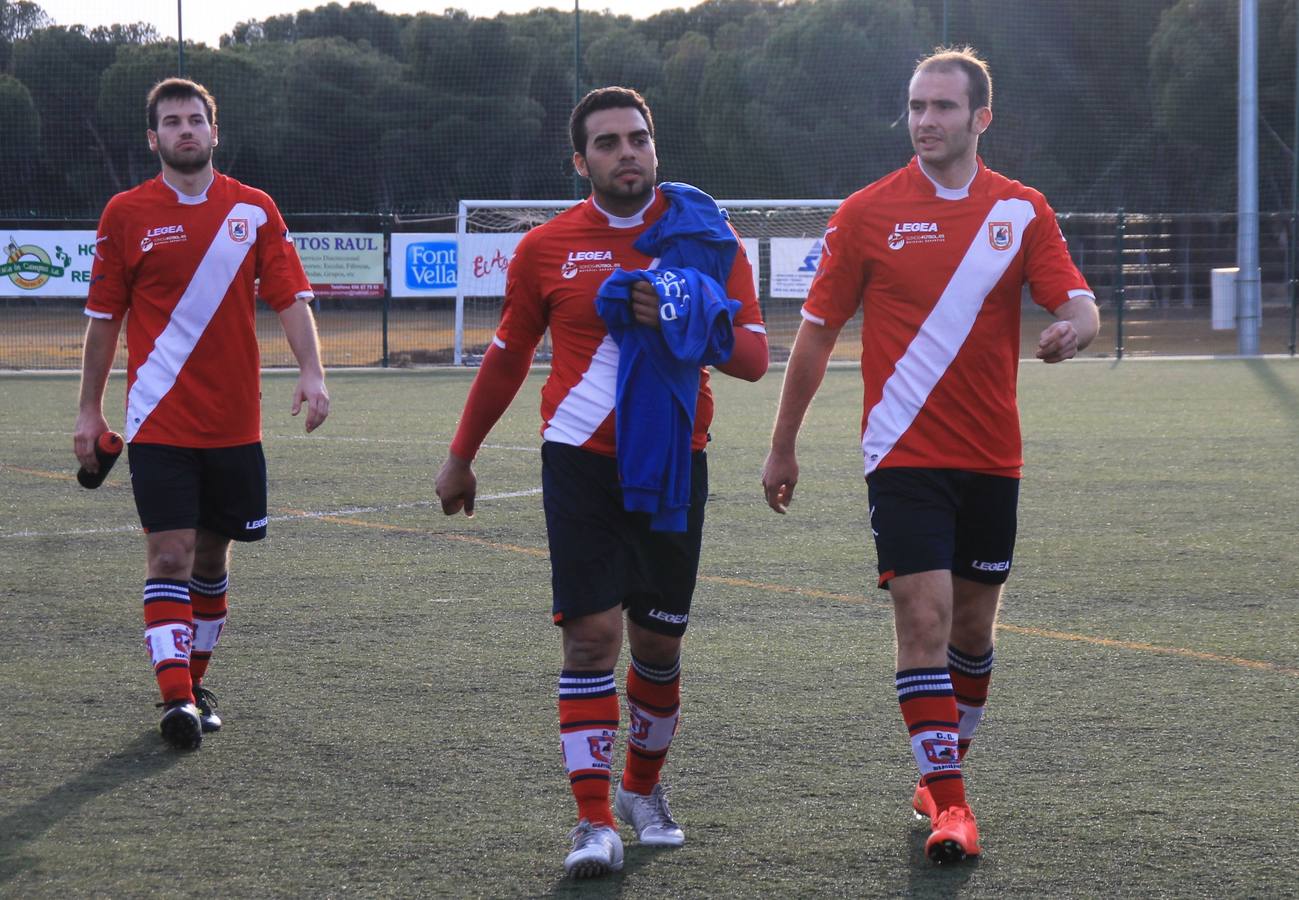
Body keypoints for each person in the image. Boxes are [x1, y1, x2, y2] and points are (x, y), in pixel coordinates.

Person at [761, 47, 1100, 864]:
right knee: (922, 619)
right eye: (915, 105)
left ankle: (940, 768)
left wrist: (1077, 327)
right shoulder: (866, 213)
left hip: (990, 457)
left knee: (973, 633)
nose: (924, 120)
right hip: (901, 454)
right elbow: (813, 335)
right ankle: (951, 808)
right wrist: (783, 444)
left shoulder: (1020, 210)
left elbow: (1076, 298)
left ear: (980, 118)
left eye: (942, 107)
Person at [435, 86, 768, 878]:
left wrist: (682, 314)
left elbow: (753, 357)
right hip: (578, 461)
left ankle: (640, 791)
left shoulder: (706, 238)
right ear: (580, 161)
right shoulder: (547, 247)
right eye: (609, 142)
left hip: (674, 462)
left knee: (658, 644)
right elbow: (509, 354)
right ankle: (591, 824)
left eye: (638, 139)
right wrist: (461, 453)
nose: (627, 153)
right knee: (591, 638)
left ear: (655, 148)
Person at [74, 77, 329, 752]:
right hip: (157, 420)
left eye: (196, 120)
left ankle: (195, 680)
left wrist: (312, 371)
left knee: (213, 559)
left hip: (234, 423)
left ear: (214, 133)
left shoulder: (253, 208)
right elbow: (104, 322)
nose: (185, 131)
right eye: (171, 122)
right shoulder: (125, 214)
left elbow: (290, 297)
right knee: (170, 552)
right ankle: (177, 701)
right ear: (153, 138)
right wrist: (88, 409)